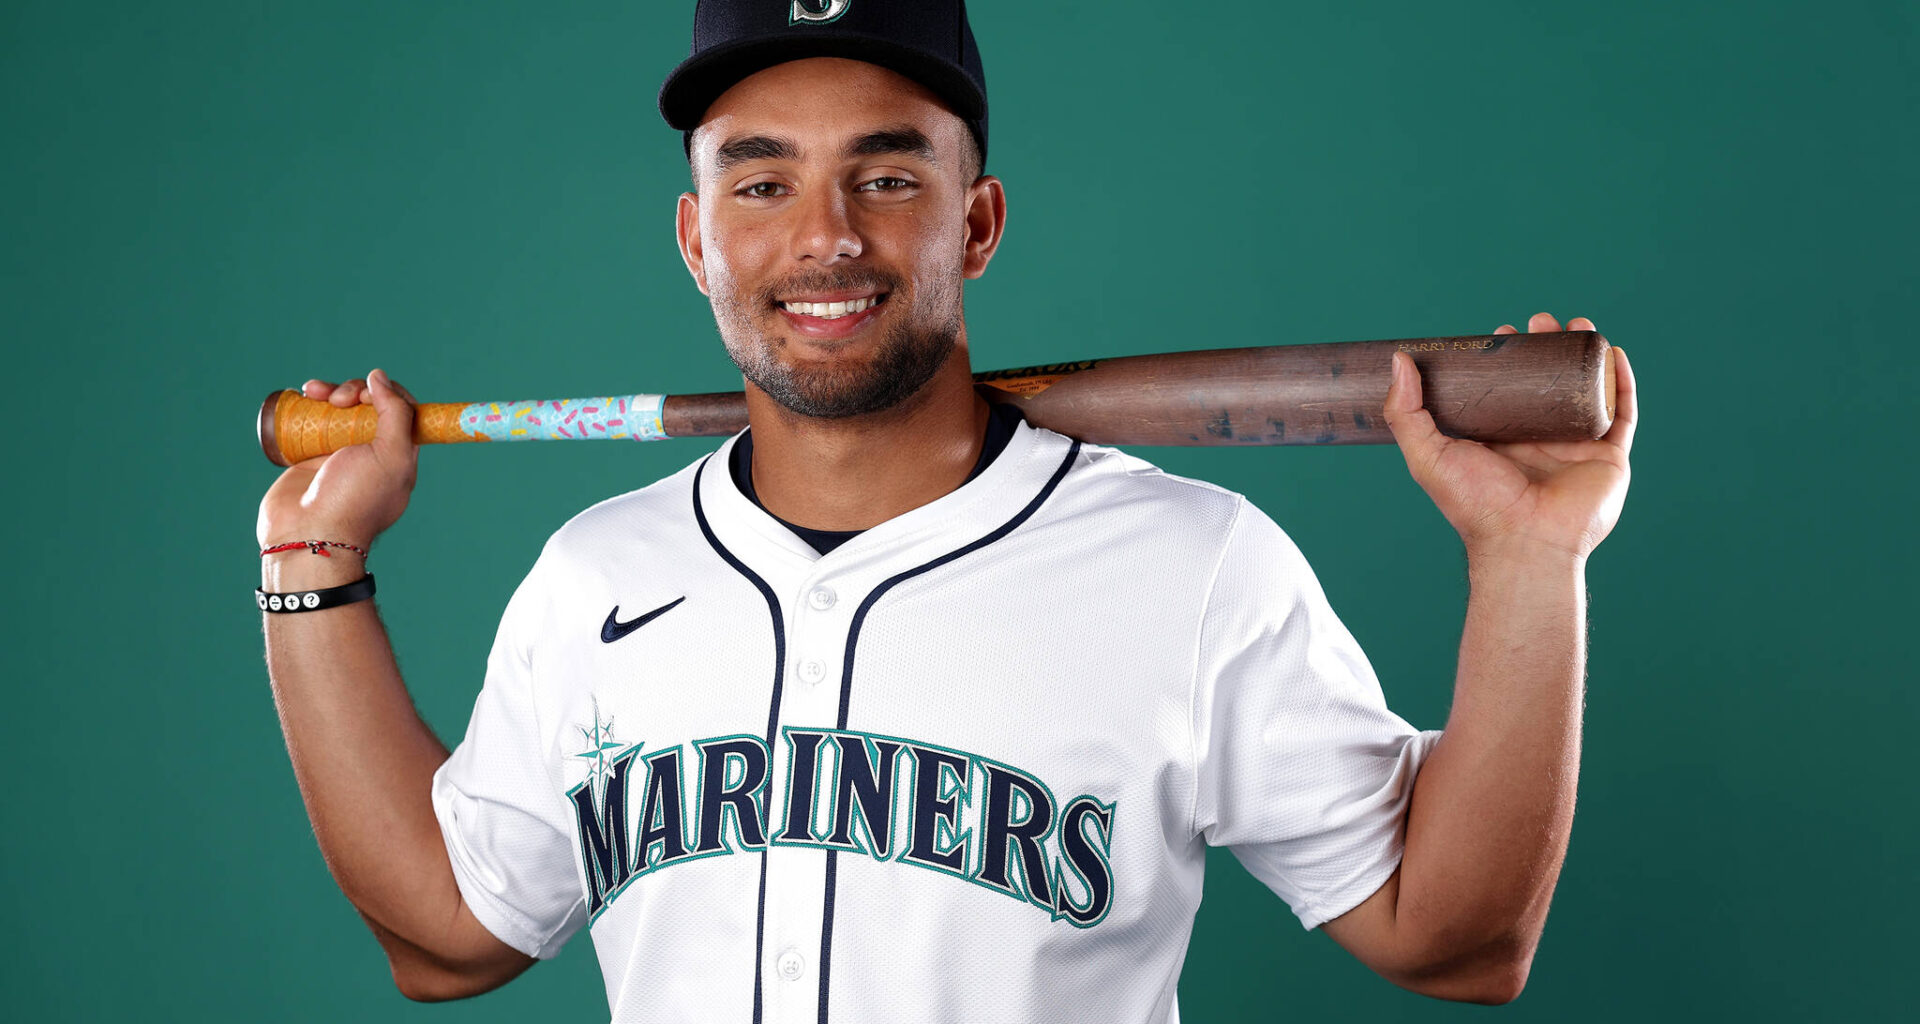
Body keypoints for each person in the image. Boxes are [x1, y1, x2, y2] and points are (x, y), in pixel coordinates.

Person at [255, 1, 1638, 1018]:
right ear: (697, 240)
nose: (825, 236)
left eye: (886, 174)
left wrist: (1530, 557)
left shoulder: (1195, 563)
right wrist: (311, 563)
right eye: (761, 181)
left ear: (973, 223)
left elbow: (1455, 943)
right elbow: (446, 938)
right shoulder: (591, 574)